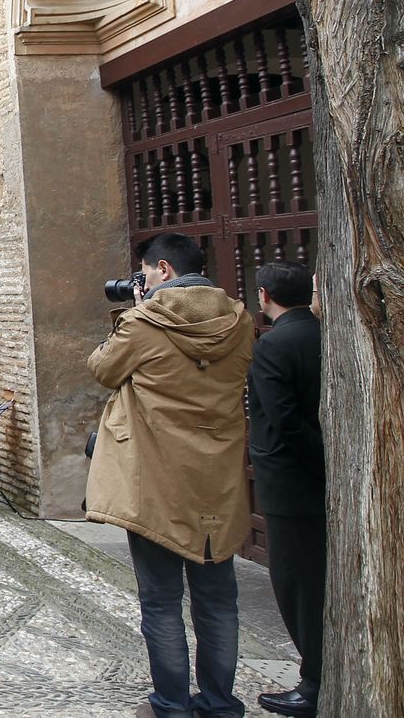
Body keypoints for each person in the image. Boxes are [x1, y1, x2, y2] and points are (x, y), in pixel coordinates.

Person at [85, 232, 255, 718]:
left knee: (161, 603)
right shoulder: (239, 321)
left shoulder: (143, 322)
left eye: (146, 272)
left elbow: (102, 368)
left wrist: (134, 312)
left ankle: (170, 705)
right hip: (215, 477)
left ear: (163, 270)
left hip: (155, 476)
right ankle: (221, 704)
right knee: (219, 601)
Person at [248, 261, 325, 718]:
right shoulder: (322, 334)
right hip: (316, 478)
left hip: (291, 481)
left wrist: (318, 463)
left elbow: (285, 419)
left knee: (296, 583)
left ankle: (313, 683)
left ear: (264, 296)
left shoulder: (274, 344)